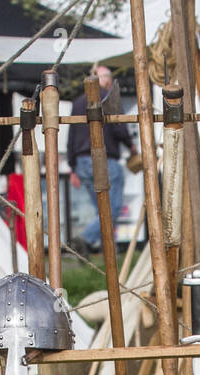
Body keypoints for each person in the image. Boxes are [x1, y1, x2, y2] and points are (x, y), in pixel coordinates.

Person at [67, 64, 134, 254]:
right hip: (103, 158)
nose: (110, 82)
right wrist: (132, 146)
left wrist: (73, 166)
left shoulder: (78, 102)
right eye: (108, 79)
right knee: (111, 209)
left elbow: (71, 136)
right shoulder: (107, 97)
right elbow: (118, 126)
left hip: (82, 162)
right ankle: (86, 238)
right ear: (103, 79)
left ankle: (106, 248)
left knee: (101, 209)